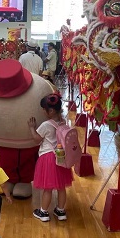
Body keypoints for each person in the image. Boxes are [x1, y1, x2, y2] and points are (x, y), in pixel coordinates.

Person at [27, 93, 73, 222]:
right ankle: (60, 211)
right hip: (61, 157)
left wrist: (32, 128)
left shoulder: (46, 125)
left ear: (51, 110)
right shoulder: (63, 122)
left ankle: (43, 212)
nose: (43, 111)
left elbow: (37, 139)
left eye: (44, 109)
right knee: (61, 187)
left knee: (47, 188)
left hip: (48, 158)